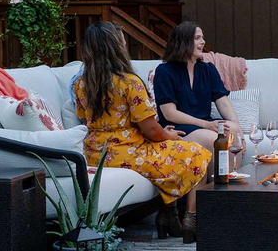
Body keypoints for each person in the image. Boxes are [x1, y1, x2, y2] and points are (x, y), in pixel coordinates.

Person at [74, 22, 209, 244]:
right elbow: (151, 130)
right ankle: (190, 220)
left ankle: (168, 215)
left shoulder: (81, 84)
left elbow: (85, 120)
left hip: (95, 154)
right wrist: (168, 135)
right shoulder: (129, 82)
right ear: (115, 46)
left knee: (170, 152)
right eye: (122, 41)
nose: (125, 45)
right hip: (127, 152)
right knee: (196, 152)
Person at [153, 22, 245, 168]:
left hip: (205, 123)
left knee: (232, 132)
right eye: (197, 38)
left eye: (202, 38)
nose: (203, 42)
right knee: (214, 139)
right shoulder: (164, 71)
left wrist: (237, 126)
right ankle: (216, 181)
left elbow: (223, 102)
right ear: (183, 42)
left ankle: (233, 179)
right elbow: (169, 113)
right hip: (179, 127)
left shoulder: (208, 69)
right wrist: (206, 125)